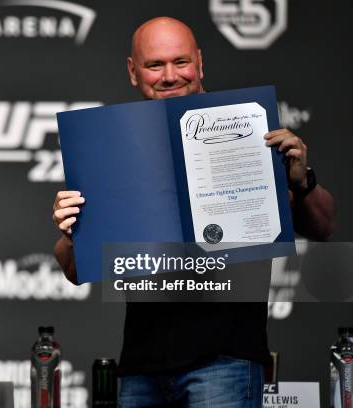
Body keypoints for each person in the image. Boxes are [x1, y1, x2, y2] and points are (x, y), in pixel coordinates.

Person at [52, 17, 335, 407]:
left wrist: (302, 182)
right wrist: (72, 234)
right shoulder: (114, 147)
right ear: (134, 72)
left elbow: (323, 227)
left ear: (200, 63)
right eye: (154, 65)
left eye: (180, 62)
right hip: (140, 367)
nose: (170, 76)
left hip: (226, 363)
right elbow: (74, 269)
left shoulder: (249, 130)